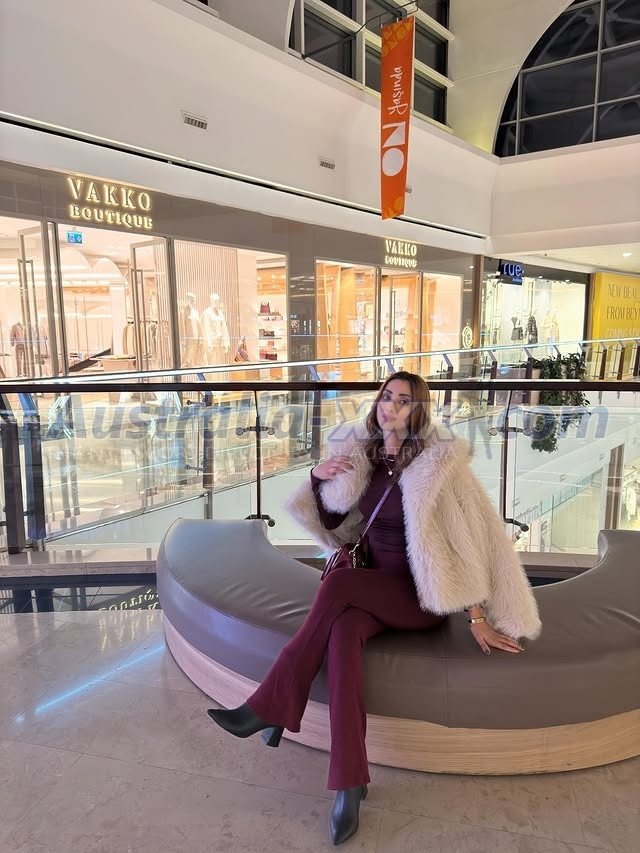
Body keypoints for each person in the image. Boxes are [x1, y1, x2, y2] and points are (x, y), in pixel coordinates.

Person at [207, 371, 542, 846]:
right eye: (387, 397)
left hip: (418, 597)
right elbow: (335, 523)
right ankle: (350, 782)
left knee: (340, 585)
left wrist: (477, 617)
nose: (391, 407)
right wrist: (317, 478)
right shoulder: (363, 453)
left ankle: (272, 703)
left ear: (417, 411)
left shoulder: (438, 466)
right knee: (343, 634)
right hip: (369, 586)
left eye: (403, 401)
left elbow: (465, 545)